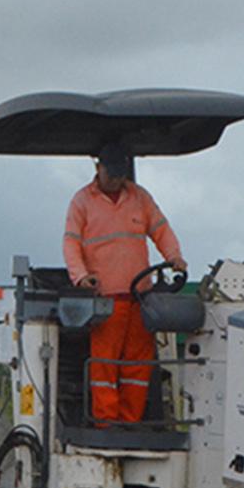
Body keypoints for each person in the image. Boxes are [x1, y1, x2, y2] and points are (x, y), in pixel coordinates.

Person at [62, 147, 185, 423]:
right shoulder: (82, 201)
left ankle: (130, 421)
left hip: (140, 298)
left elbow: (161, 230)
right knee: (105, 364)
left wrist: (175, 256)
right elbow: (71, 242)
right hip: (107, 299)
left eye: (120, 175)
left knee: (138, 364)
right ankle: (107, 421)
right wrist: (81, 277)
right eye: (111, 174)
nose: (116, 180)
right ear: (98, 168)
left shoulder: (140, 198)